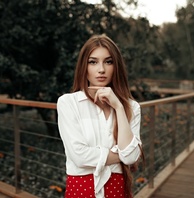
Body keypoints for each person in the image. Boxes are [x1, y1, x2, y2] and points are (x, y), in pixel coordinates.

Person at [57, 34, 143, 198]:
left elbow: (131, 157)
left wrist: (118, 106)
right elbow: (79, 156)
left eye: (108, 62)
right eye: (93, 62)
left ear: (116, 66)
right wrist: (122, 156)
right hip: (81, 190)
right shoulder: (69, 103)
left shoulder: (131, 107)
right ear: (84, 66)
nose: (101, 69)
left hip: (118, 190)